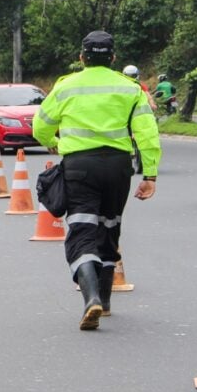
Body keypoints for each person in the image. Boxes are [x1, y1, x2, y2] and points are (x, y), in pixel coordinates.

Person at [32, 30, 161, 331]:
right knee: (109, 227)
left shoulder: (66, 86)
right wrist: (150, 174)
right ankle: (105, 298)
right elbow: (147, 134)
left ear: (81, 58)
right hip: (118, 168)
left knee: (81, 230)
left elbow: (40, 126)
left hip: (80, 167)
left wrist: (53, 141)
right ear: (113, 58)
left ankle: (91, 298)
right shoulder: (130, 88)